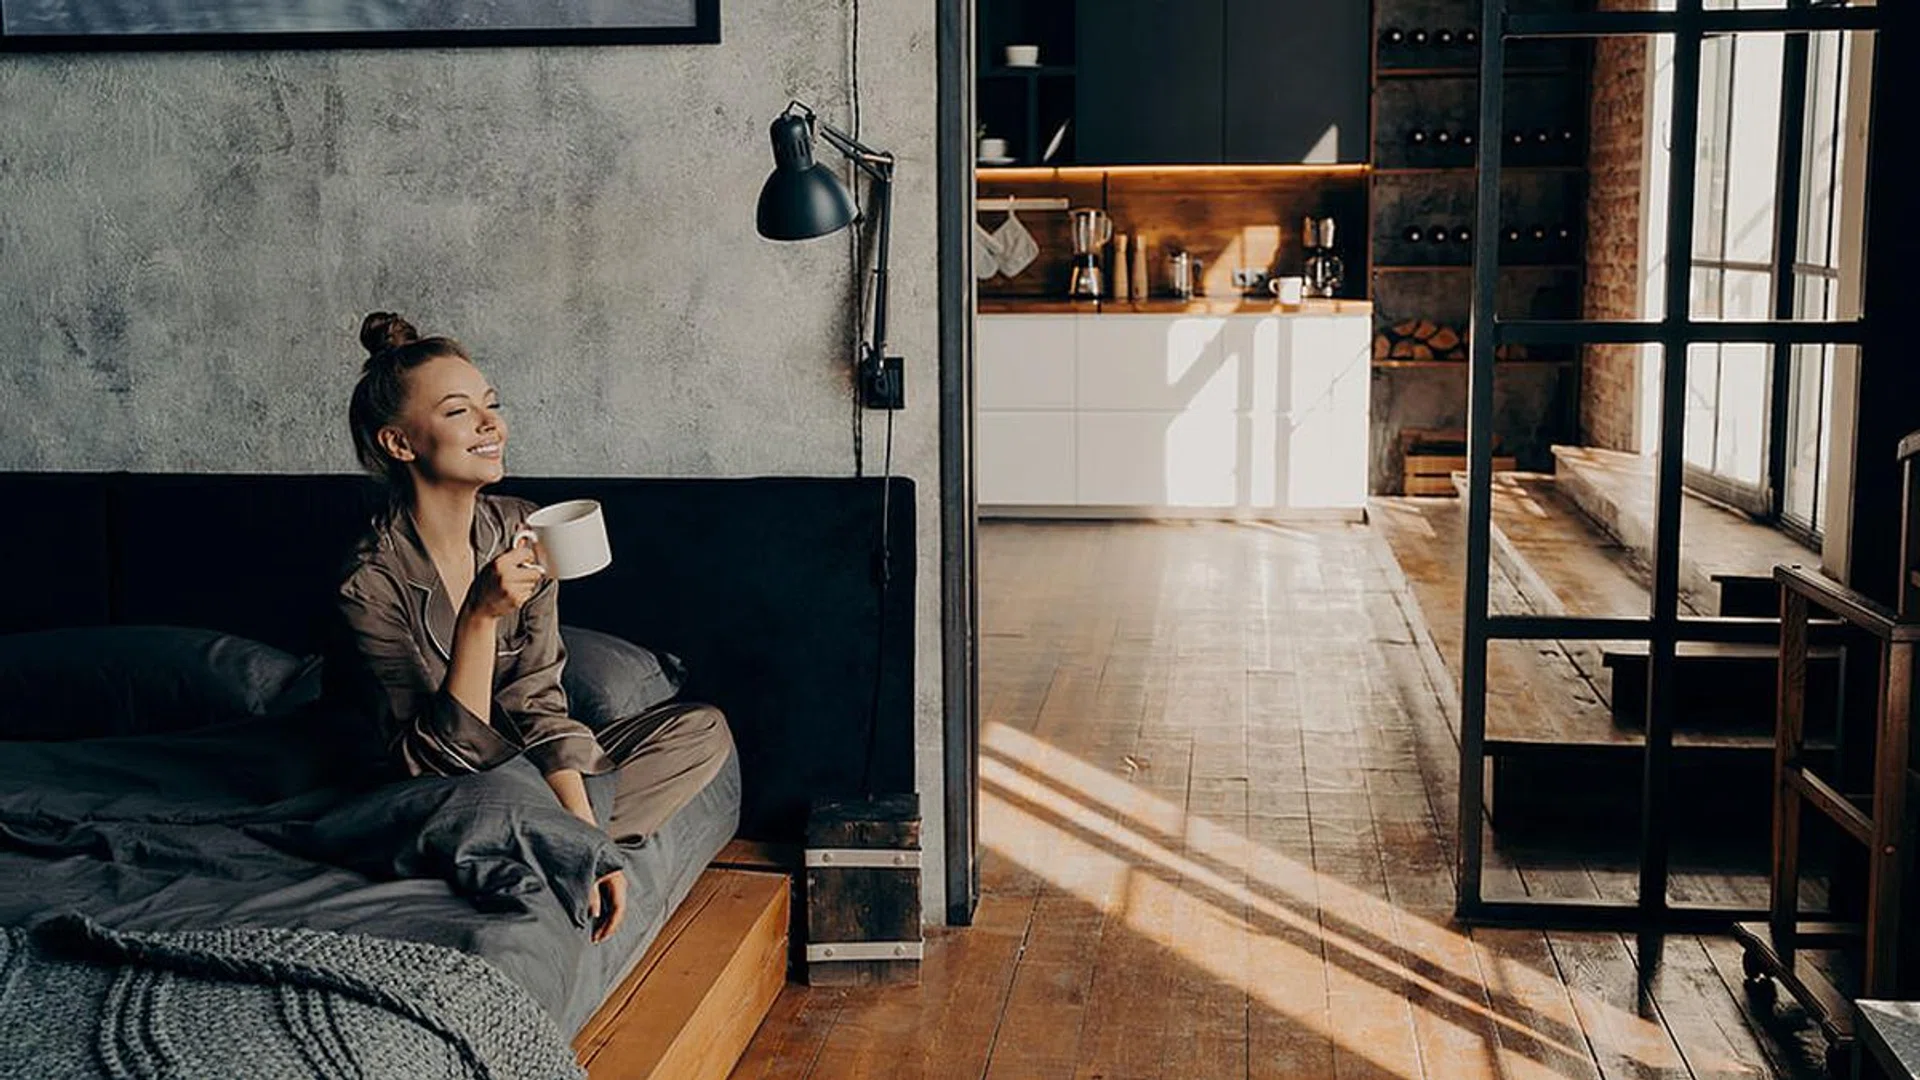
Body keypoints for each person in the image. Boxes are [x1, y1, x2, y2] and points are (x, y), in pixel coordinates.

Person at [333, 311, 733, 944]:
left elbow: (535, 702)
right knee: (493, 796)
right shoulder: (369, 582)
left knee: (701, 731)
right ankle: (533, 840)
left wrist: (583, 832)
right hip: (427, 790)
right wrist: (479, 617)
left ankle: (546, 844)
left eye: (491, 405)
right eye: (459, 411)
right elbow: (434, 762)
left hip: (517, 772)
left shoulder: (519, 529)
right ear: (400, 444)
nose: (490, 424)